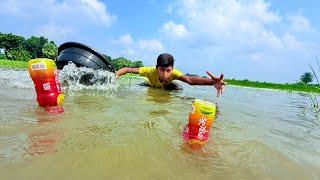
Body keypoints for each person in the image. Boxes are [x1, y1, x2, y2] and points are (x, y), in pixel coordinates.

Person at [116, 53, 226, 97]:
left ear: (172, 69)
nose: (165, 74)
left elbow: (190, 80)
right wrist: (115, 75)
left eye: (168, 70)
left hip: (167, 87)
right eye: (162, 70)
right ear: (156, 68)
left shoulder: (174, 73)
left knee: (178, 89)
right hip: (150, 85)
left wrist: (212, 82)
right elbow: (126, 69)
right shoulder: (149, 71)